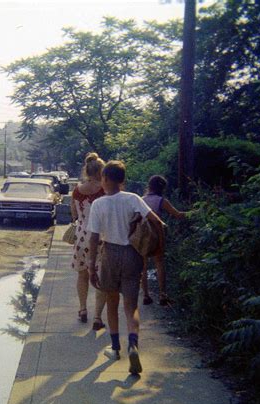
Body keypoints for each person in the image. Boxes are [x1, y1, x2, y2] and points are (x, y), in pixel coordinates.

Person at [87, 161, 164, 374]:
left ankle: (115, 348)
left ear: (105, 179)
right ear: (122, 180)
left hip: (110, 253)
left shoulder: (99, 204)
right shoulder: (133, 199)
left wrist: (92, 266)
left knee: (112, 303)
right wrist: (157, 245)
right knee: (131, 306)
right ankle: (133, 344)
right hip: (133, 254)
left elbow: (94, 238)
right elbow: (157, 221)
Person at [70, 152, 107, 331]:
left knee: (82, 274)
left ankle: (83, 309)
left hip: (81, 236)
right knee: (102, 277)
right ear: (101, 171)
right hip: (101, 237)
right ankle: (98, 317)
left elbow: (74, 214)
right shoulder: (105, 190)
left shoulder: (77, 190)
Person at [141, 175, 187, 307]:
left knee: (143, 265)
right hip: (157, 234)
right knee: (159, 263)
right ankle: (162, 295)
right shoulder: (161, 200)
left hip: (143, 235)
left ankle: (145, 295)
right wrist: (195, 212)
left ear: (149, 186)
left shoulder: (140, 200)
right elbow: (177, 214)